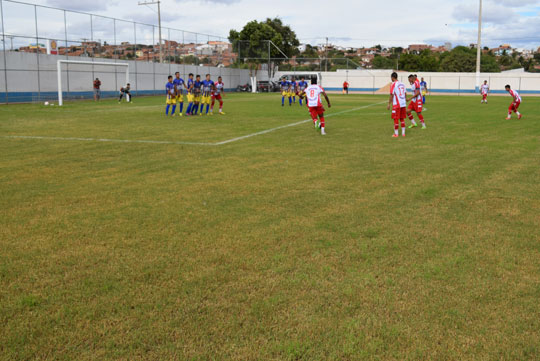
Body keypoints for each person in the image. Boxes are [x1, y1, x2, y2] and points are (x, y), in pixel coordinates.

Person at [388, 72, 407, 138]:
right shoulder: (403, 84)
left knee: (395, 118)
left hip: (397, 104)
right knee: (402, 118)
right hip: (403, 104)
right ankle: (403, 133)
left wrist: (389, 104)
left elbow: (391, 95)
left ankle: (396, 134)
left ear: (392, 77)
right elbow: (405, 93)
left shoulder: (393, 84)